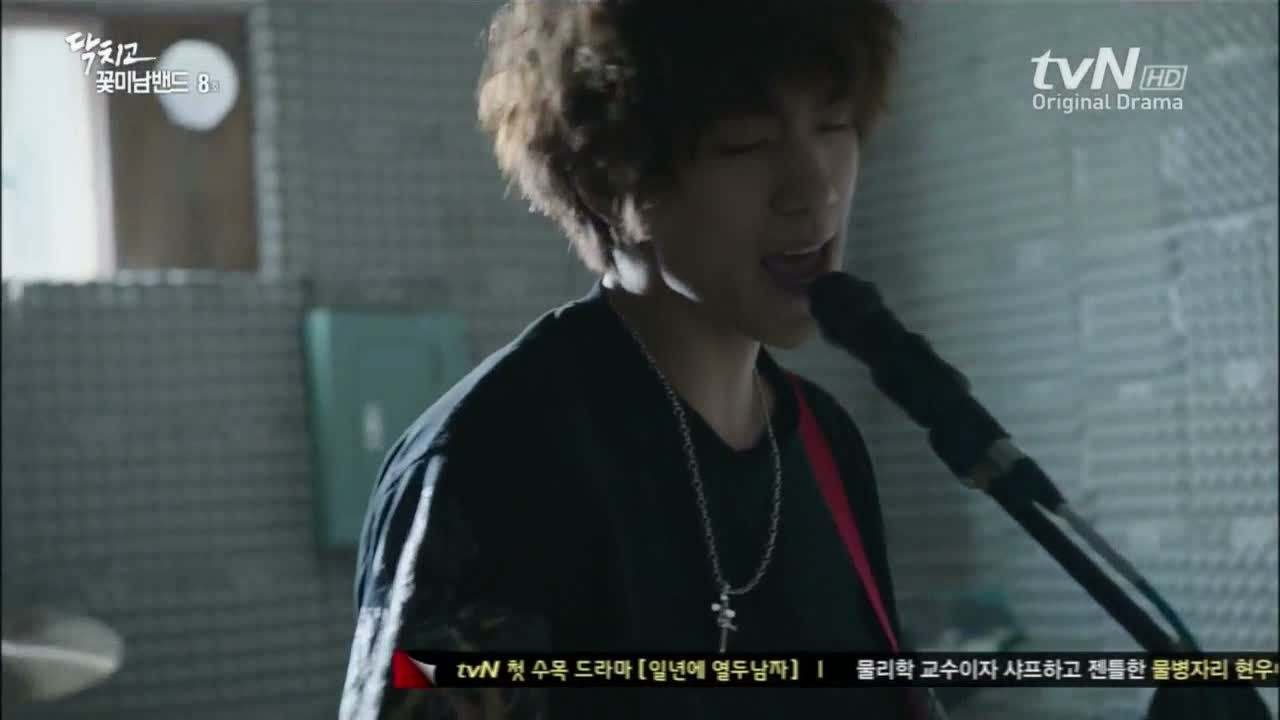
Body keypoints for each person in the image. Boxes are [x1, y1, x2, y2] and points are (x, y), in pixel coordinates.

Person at [340, 1, 940, 718]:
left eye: (833, 125)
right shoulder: (496, 458)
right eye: (744, 143)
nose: (815, 190)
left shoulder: (827, 443)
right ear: (609, 182)